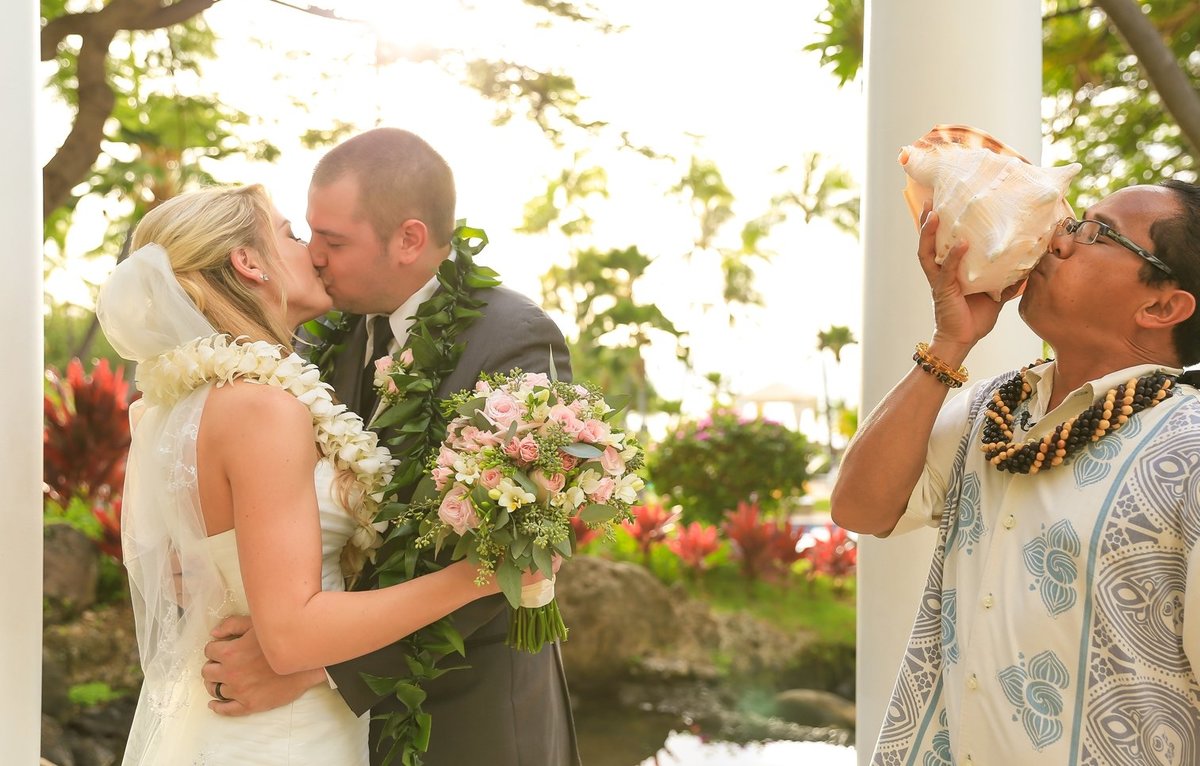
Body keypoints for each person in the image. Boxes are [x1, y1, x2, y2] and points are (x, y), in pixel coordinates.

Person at [97, 184, 537, 765]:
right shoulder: (262, 407)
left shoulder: (185, 399)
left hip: (249, 716)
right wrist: (485, 574)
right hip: (277, 734)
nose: (313, 253)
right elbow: (292, 636)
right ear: (248, 262)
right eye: (292, 234)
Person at [201, 128, 580, 766]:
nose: (314, 256)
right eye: (311, 234)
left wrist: (318, 669)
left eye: (335, 241)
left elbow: (519, 551)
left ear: (407, 239)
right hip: (334, 727)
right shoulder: (323, 337)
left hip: (473, 712)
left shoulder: (512, 339)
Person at [831, 180, 1200, 765]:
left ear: (1160, 306)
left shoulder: (1191, 447)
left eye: (1097, 233)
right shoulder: (993, 410)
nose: (1059, 238)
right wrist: (951, 341)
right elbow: (860, 509)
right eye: (1076, 222)